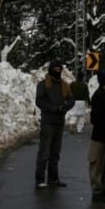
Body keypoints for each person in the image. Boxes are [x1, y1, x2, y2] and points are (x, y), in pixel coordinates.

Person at [34, 60, 75, 188]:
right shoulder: (43, 84)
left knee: (55, 153)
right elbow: (39, 101)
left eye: (59, 69)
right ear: (51, 69)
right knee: (44, 151)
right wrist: (53, 108)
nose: (57, 71)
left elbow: (71, 99)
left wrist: (65, 107)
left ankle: (53, 179)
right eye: (55, 69)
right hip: (47, 121)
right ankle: (40, 179)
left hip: (59, 121)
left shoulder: (64, 85)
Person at [88, 70, 105, 202]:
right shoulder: (99, 96)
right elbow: (95, 118)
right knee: (97, 163)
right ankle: (97, 190)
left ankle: (104, 187)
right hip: (100, 135)